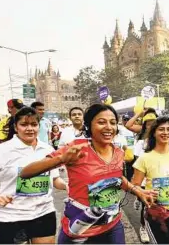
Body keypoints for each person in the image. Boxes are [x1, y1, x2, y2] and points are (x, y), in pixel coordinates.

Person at [19, 104, 157, 244]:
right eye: (101, 122)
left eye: (113, 123)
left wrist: (137, 191)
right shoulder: (77, 148)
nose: (109, 127)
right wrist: (60, 159)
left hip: (112, 226)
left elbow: (116, 179)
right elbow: (25, 173)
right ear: (89, 126)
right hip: (79, 231)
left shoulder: (118, 152)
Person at [0, 107, 67, 244]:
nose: (29, 128)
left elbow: (54, 179)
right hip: (10, 216)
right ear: (16, 127)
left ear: (39, 126)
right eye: (24, 124)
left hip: (44, 213)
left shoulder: (47, 150)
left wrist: (66, 185)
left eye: (34, 124)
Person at [132, 116, 169, 243]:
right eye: (161, 129)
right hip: (156, 215)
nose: (166, 133)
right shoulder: (145, 158)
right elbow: (135, 186)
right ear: (154, 133)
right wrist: (148, 200)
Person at [132, 109, 158, 243]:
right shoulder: (140, 142)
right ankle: (143, 227)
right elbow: (137, 163)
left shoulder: (162, 138)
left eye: (153, 122)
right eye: (148, 123)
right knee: (145, 205)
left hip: (158, 178)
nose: (151, 125)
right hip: (144, 178)